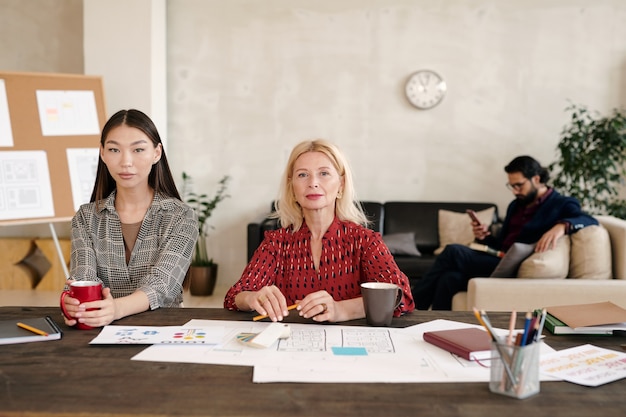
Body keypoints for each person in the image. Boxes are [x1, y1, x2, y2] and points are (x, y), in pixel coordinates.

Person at [224, 139, 414, 322]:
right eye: (302, 175)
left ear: (341, 184)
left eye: (324, 173)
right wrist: (251, 298)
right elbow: (234, 296)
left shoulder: (365, 241)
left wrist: (341, 310)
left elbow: (400, 295)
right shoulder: (276, 242)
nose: (313, 183)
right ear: (292, 188)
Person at [62, 109, 198, 328]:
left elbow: (162, 285)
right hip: (100, 329)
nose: (126, 162)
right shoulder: (86, 218)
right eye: (114, 149)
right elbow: (84, 276)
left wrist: (115, 309)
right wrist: (75, 301)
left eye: (138, 149)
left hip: (163, 329)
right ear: (103, 153)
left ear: (156, 153)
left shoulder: (182, 216)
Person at [413, 155, 598, 310]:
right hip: (499, 259)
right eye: (512, 186)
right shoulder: (516, 205)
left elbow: (589, 220)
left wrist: (562, 226)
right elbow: (501, 244)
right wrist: (485, 237)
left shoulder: (561, 204)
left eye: (519, 185)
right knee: (449, 278)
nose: (515, 191)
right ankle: (434, 324)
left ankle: (411, 304)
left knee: (453, 251)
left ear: (536, 179)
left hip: (515, 265)